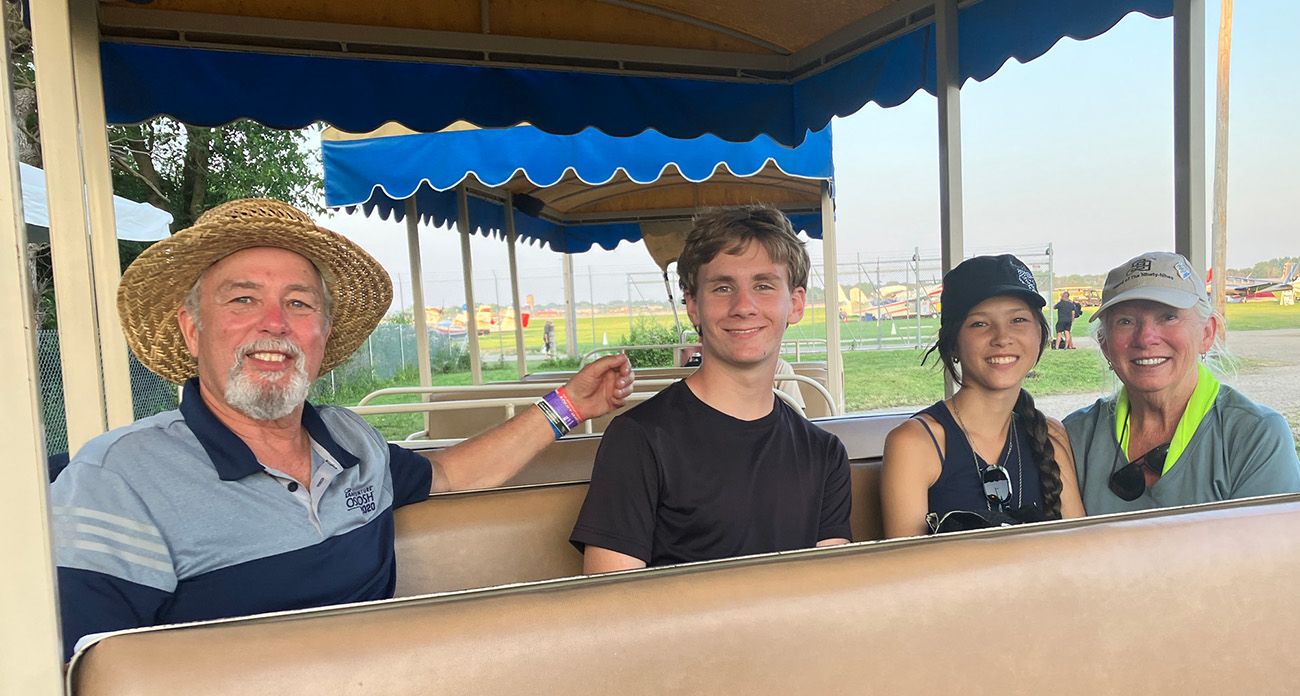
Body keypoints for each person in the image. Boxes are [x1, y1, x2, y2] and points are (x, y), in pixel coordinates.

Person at [50, 198, 634, 659]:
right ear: (193, 329)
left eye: (299, 304)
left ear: (322, 334)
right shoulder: (116, 479)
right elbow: (97, 668)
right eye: (243, 300)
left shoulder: (350, 440)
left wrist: (570, 405)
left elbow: (451, 473)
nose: (274, 323)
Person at [570, 206, 852, 572]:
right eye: (722, 288)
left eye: (763, 286)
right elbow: (611, 598)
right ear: (692, 306)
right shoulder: (640, 439)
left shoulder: (824, 453)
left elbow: (829, 591)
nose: (743, 307)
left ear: (795, 304)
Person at [1064, 251, 1300, 514]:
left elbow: (1266, 552)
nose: (1145, 338)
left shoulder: (1255, 436)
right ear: (1105, 344)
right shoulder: (1075, 437)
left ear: (1207, 333)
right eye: (1126, 321)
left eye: (1168, 317)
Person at [881, 254, 1086, 537]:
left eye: (1018, 319)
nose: (1002, 337)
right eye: (980, 324)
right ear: (952, 342)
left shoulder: (1051, 435)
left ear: (1040, 335)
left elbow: (1080, 553)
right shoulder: (915, 444)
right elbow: (906, 572)